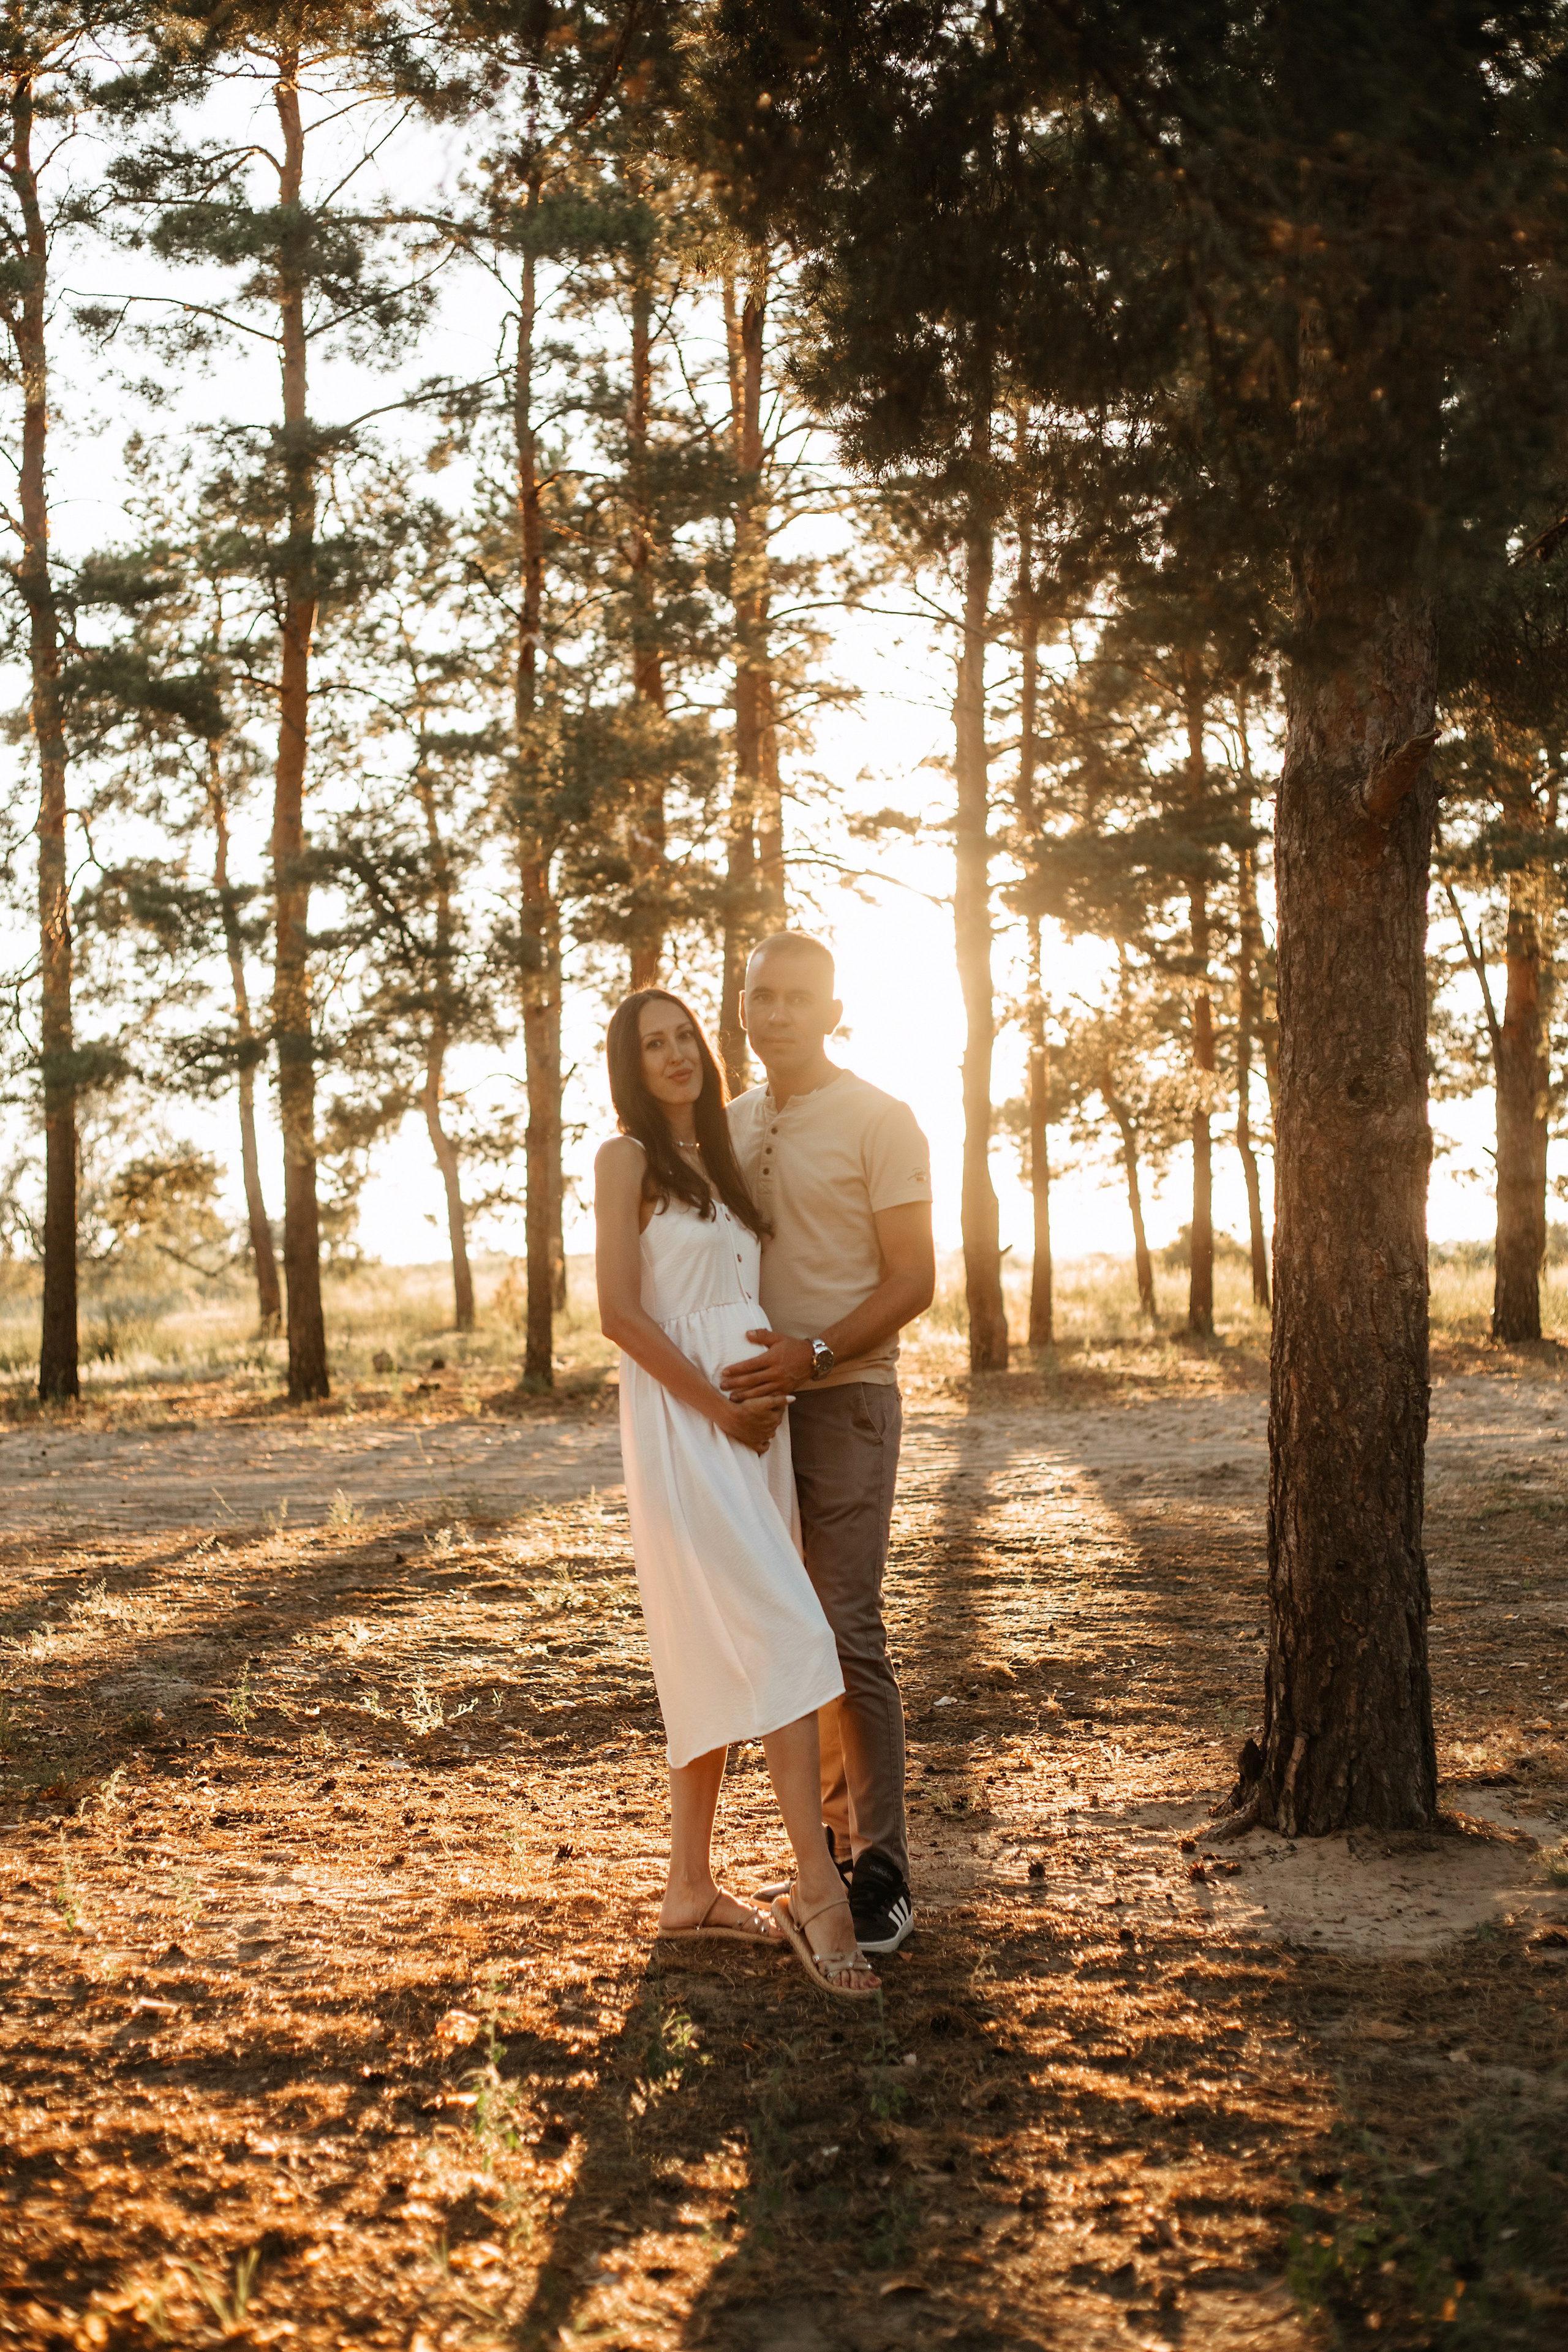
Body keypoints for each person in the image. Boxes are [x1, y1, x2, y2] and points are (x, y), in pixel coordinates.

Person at [594, 986, 880, 1997]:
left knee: (712, 1647)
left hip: (756, 1430)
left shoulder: (720, 1157)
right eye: (653, 1045)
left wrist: (763, 1395)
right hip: (690, 1426)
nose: (676, 1054)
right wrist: (718, 1408)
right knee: (792, 1632)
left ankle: (688, 1889)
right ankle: (818, 1887)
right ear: (630, 1066)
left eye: (685, 1037)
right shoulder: (625, 1158)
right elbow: (619, 1314)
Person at [723, 933, 935, 1956]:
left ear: (835, 1011)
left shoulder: (881, 1119)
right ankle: (827, 1859)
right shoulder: (728, 1125)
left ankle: (883, 1868)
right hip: (754, 1414)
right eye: (762, 996)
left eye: (798, 998)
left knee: (847, 1628)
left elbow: (914, 1279)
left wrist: (812, 1354)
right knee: (787, 1633)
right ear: (743, 1007)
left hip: (846, 1398)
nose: (777, 1014)